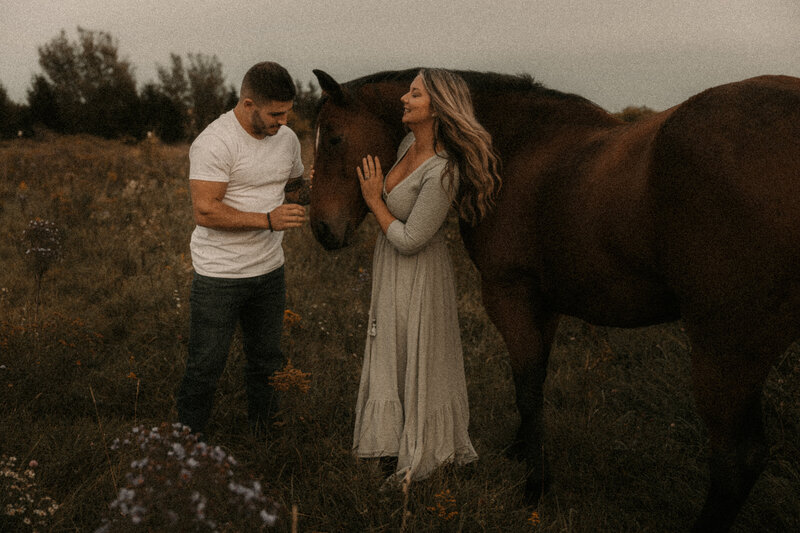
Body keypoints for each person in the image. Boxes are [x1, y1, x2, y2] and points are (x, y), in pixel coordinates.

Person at [352, 68, 502, 483]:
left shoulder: (444, 170)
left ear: (437, 106)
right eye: (408, 91)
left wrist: (373, 200)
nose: (404, 98)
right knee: (391, 350)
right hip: (390, 269)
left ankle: (428, 446)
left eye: (414, 94)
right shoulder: (405, 144)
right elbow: (392, 214)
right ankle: (388, 439)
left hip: (419, 274)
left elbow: (411, 238)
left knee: (418, 352)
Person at [177, 61, 307, 438]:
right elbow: (205, 210)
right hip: (220, 275)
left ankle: (264, 434)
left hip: (269, 271)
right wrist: (267, 219)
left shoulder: (287, 139)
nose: (283, 122)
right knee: (205, 364)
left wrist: (322, 185)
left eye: (288, 113)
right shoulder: (215, 141)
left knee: (268, 360)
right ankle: (187, 442)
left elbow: (296, 190)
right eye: (275, 113)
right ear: (248, 104)